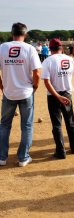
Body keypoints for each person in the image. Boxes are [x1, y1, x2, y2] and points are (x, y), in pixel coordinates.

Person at [0, 22, 42, 167]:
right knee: (27, 126)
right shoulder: (29, 49)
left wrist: (2, 87)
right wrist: (35, 87)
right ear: (25, 34)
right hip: (26, 92)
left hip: (9, 92)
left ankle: (1, 157)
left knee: (4, 125)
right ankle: (23, 158)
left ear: (12, 33)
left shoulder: (2, 47)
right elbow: (37, 72)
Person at [41, 38, 74, 159]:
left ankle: (60, 151)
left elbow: (47, 82)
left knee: (57, 124)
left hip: (53, 95)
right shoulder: (69, 59)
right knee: (70, 122)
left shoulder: (47, 61)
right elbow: (71, 76)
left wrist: (57, 96)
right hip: (67, 93)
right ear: (61, 48)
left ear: (50, 49)